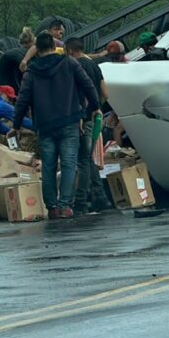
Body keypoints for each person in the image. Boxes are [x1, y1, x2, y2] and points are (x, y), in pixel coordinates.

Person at [10, 31, 100, 219]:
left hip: (45, 125)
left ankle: (51, 207)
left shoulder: (32, 71)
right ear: (53, 45)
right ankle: (65, 206)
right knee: (68, 164)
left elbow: (23, 99)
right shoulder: (69, 62)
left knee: (49, 166)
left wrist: (16, 124)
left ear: (38, 48)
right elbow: (88, 85)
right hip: (69, 121)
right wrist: (94, 107)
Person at [65, 38, 112, 214]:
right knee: (88, 159)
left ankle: (82, 201)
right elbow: (105, 93)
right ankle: (100, 197)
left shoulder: (77, 67)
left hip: (82, 119)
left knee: (83, 160)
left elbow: (81, 94)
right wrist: (97, 107)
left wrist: (82, 114)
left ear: (70, 52)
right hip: (95, 118)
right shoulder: (94, 65)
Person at [0, 27, 34, 91]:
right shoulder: (18, 55)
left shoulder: (37, 46)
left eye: (27, 43)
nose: (25, 46)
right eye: (24, 43)